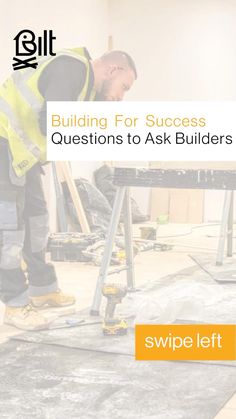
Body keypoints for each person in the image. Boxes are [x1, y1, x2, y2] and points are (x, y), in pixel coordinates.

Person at [0, 47, 137, 330]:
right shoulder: (71, 68)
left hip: (22, 154)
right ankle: (14, 305)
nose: (121, 96)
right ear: (113, 70)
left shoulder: (86, 86)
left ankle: (42, 288)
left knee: (37, 222)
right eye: (124, 87)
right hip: (4, 145)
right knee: (9, 231)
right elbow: (52, 121)